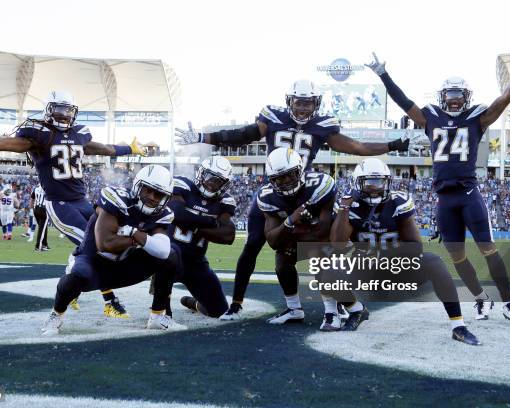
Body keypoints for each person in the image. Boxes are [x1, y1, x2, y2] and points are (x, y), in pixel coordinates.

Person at [175, 79, 416, 320]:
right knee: (252, 245)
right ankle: (236, 305)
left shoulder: (322, 128)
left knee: (325, 245)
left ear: (316, 104)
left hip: (305, 189)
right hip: (274, 189)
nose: (303, 108)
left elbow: (357, 147)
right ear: (289, 101)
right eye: (299, 102)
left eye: (308, 103)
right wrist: (202, 136)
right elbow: (243, 135)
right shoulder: (273, 117)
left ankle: (338, 303)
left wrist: (394, 144)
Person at [365, 49, 510, 325]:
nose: (454, 100)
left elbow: (503, 100)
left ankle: (509, 304)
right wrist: (383, 74)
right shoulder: (430, 117)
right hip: (444, 198)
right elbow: (404, 102)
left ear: (466, 97)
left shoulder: (477, 118)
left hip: (468, 193)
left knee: (487, 247)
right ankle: (481, 299)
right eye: (450, 95)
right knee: (457, 256)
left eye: (459, 95)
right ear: (442, 96)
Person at [0, 90, 147, 318]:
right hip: (59, 205)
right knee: (97, 248)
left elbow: (104, 149)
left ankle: (73, 278)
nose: (64, 114)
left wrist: (130, 149)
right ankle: (109, 300)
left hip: (83, 202)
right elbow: (2, 144)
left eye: (68, 110)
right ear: (49, 109)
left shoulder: (79, 134)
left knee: (102, 243)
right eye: (59, 109)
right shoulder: (40, 135)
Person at [326, 158, 480, 345]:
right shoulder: (351, 206)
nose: (375, 188)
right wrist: (344, 208)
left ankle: (458, 326)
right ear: (358, 183)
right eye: (369, 182)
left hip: (397, 268)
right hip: (365, 271)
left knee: (433, 260)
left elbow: (415, 248)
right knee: (325, 269)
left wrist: (383, 258)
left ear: (388, 182)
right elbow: (338, 244)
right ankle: (356, 310)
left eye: (380, 182)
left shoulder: (398, 202)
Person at [41, 165, 179, 335]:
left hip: (125, 266)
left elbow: (163, 251)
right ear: (137, 186)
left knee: (172, 256)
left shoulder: (163, 215)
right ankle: (56, 314)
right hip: (95, 261)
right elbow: (105, 243)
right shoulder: (117, 199)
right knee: (75, 278)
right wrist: (141, 239)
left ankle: (157, 316)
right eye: (147, 190)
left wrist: (132, 231)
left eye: (158, 194)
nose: (151, 197)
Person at [256, 148, 336, 324]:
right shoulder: (267, 197)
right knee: (282, 258)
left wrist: (292, 236)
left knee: (319, 253)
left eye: (290, 175)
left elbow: (324, 231)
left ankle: (333, 311)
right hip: (304, 236)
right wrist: (291, 220)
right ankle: (294, 309)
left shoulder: (321, 184)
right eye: (279, 178)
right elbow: (273, 241)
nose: (286, 182)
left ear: (300, 170)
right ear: (271, 180)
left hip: (333, 240)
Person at [169, 156, 236, 318]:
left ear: (224, 184)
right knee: (165, 256)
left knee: (218, 311)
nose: (212, 183)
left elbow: (228, 236)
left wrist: (195, 225)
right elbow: (176, 214)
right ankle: (160, 306)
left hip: (196, 262)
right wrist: (210, 222)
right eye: (209, 177)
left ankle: (194, 303)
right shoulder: (183, 185)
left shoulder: (224, 201)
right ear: (201, 174)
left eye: (218, 181)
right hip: (169, 256)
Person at [31, 184, 49, 251]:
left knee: (43, 227)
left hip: (36, 209)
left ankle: (45, 244)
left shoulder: (36, 188)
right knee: (42, 229)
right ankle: (38, 246)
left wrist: (32, 208)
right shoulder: (48, 188)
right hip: (44, 209)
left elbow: (32, 199)